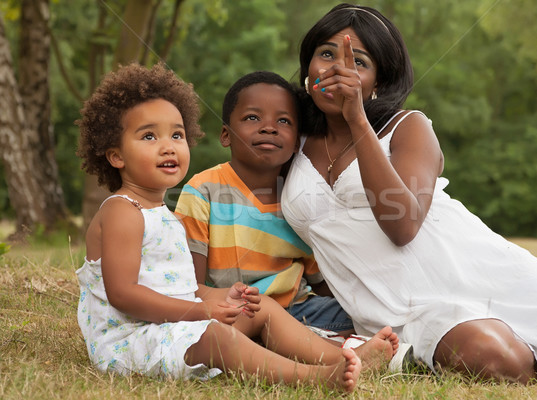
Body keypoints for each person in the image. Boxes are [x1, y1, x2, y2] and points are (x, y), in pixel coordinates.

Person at [280, 3, 537, 384]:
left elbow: (403, 225)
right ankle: (524, 354)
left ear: (379, 80)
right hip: (403, 310)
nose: (337, 70)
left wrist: (356, 118)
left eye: (358, 62)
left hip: (479, 273)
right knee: (496, 361)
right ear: (308, 67)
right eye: (326, 54)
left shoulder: (408, 126)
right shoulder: (288, 140)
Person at [75, 62, 399, 392]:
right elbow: (123, 294)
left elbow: (181, 287)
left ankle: (343, 356)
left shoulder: (164, 215)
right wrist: (201, 310)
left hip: (171, 326)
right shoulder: (122, 211)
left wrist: (222, 298)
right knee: (219, 337)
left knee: (261, 309)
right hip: (131, 339)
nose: (168, 145)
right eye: (148, 136)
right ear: (115, 156)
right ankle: (314, 378)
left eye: (177, 135)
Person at [174, 71, 354, 337]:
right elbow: (190, 288)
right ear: (226, 135)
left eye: (283, 121)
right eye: (252, 118)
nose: (269, 127)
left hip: (301, 310)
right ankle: (325, 345)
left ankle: (335, 340)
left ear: (296, 143)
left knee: (365, 313)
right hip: (233, 311)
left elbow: (322, 280)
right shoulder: (203, 191)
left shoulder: (299, 199)